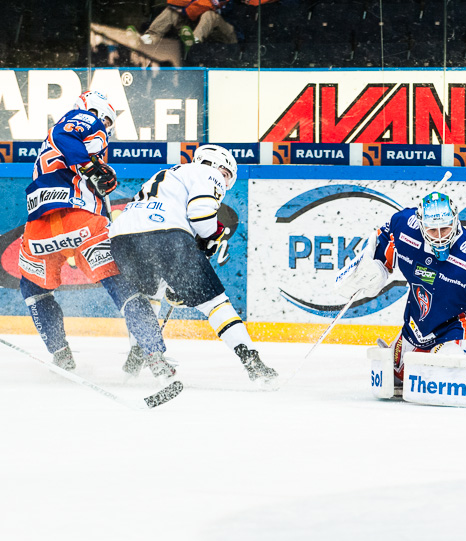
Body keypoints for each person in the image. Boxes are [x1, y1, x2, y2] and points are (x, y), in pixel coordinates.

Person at [18, 90, 173, 380]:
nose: (108, 128)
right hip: (81, 222)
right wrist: (93, 166)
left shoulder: (60, 144)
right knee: (122, 286)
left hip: (39, 229)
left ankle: (60, 354)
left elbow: (67, 153)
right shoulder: (87, 119)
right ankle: (155, 355)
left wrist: (96, 171)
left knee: (33, 290)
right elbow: (65, 135)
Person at [108, 145, 278, 384]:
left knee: (148, 297)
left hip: (122, 238)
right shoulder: (208, 172)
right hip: (165, 233)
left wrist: (176, 281)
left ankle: (138, 354)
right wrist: (210, 238)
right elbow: (201, 216)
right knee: (215, 303)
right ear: (217, 164)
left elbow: (154, 228)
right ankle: (253, 362)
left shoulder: (167, 175)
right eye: (226, 175)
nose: (224, 182)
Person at [334, 185, 466, 389]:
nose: (439, 236)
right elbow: (384, 238)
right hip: (417, 326)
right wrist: (372, 266)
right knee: (393, 379)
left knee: (448, 378)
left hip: (460, 325)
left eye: (444, 228)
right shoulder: (403, 226)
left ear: (455, 221)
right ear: (420, 225)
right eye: (432, 230)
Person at [140, 0, 238, 49]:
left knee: (210, 14)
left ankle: (194, 40)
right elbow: (173, 3)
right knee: (171, 11)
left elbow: (211, 8)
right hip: (199, 30)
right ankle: (151, 36)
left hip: (225, 33)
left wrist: (188, 8)